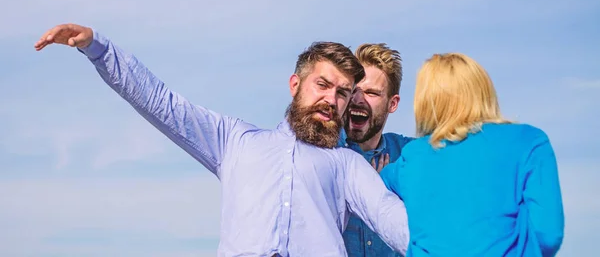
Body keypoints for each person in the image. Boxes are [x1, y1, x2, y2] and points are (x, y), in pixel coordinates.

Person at [34, 24, 410, 257]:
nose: (332, 100)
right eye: (323, 85)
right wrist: (99, 49)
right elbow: (162, 103)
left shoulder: (347, 165)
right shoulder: (235, 140)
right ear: (296, 85)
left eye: (343, 93)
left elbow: (393, 221)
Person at [380, 52, 565, 256]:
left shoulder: (412, 158)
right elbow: (548, 235)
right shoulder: (529, 141)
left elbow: (378, 185)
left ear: (426, 102)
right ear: (483, 90)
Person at [337, 43, 414, 257]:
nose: (358, 99)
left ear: (393, 103)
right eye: (353, 90)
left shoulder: (409, 156)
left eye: (371, 93)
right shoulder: (323, 155)